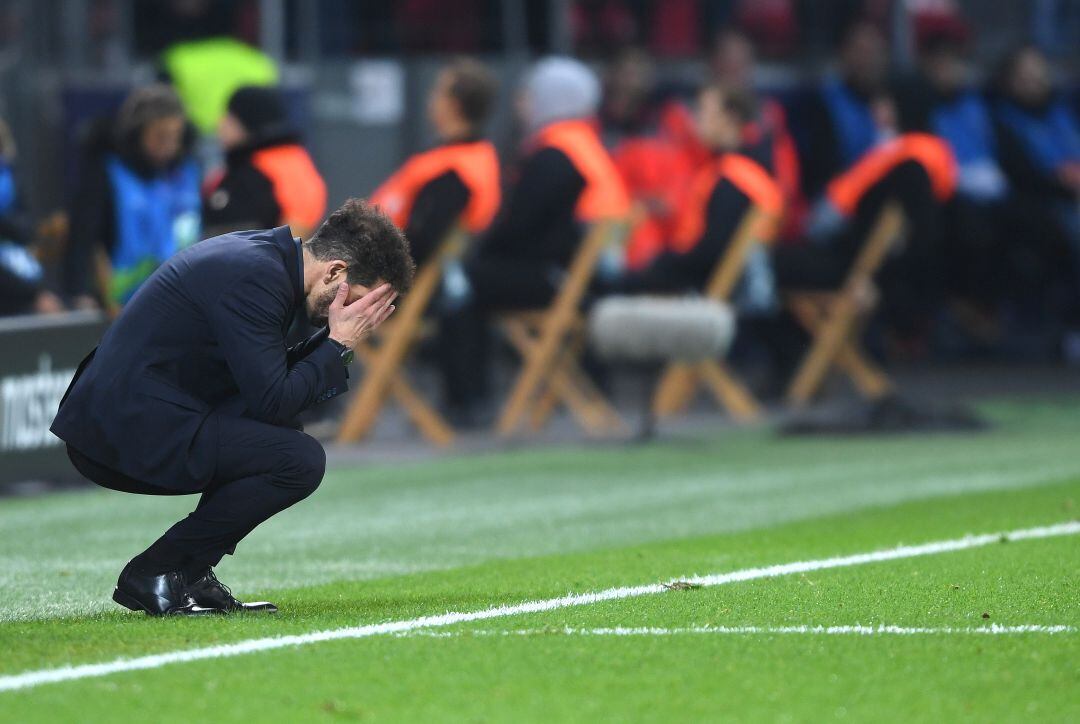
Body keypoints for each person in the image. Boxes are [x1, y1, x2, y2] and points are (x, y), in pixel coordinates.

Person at [50, 199, 414, 615]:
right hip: (121, 429)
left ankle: (188, 572)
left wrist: (334, 346)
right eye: (360, 301)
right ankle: (157, 570)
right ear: (335, 272)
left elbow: (272, 389)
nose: (358, 316)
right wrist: (338, 344)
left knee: (281, 443)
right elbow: (273, 400)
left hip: (143, 413)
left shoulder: (265, 264)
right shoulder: (256, 277)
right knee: (297, 460)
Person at [437, 57, 630, 422]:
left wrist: (478, 256)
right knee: (476, 278)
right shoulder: (584, 146)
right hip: (584, 278)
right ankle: (471, 399)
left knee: (460, 283)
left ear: (553, 99)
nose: (521, 104)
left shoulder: (555, 155)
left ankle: (466, 402)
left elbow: (517, 228)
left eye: (529, 95)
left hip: (564, 280)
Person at [616, 83, 783, 305]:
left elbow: (713, 252)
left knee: (620, 285)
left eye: (703, 111)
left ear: (729, 118)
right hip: (732, 286)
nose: (694, 120)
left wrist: (661, 263)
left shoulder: (733, 178)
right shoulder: (741, 168)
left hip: (721, 294)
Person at [63, 85, 201, 310]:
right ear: (137, 134)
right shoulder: (107, 172)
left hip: (184, 299)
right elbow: (84, 236)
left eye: (175, 136)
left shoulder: (188, 173)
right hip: (122, 304)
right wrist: (79, 292)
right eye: (160, 136)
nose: (169, 146)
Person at [990, 44, 1080, 350]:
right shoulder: (1003, 119)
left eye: (1039, 73)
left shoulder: (1064, 110)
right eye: (1026, 76)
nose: (1036, 81)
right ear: (1009, 81)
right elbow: (1020, 173)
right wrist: (1063, 183)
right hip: (1044, 205)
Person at [369, 58, 500, 266]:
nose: (430, 99)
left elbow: (421, 244)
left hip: (378, 274)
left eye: (437, 92)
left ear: (454, 105)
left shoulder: (456, 172)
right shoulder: (461, 157)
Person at [202, 85, 327, 240]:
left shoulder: (284, 162)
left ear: (247, 122)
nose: (220, 124)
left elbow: (300, 220)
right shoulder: (238, 164)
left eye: (229, 117)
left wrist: (278, 258)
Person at [802, 19, 892, 199]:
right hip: (836, 198)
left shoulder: (894, 101)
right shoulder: (823, 102)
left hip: (882, 194)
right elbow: (822, 169)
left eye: (874, 52)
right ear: (844, 53)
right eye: (861, 51)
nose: (868, 60)